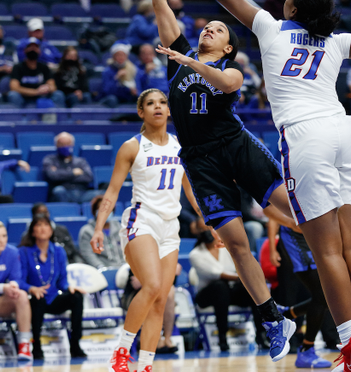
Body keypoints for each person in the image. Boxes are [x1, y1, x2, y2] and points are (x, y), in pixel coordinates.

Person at [164, 0, 351, 372]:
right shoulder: (338, 41)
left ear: (293, 8)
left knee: (326, 251)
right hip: (344, 132)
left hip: (307, 138)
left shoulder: (272, 30)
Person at [137, 0, 303, 365]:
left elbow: (228, 85)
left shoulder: (228, 68)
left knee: (287, 210)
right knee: (235, 241)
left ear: (229, 45)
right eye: (206, 27)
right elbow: (159, 8)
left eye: (218, 29)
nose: (209, 29)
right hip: (199, 159)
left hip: (235, 142)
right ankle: (272, 318)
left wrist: (192, 65)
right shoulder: (180, 58)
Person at [90, 88, 207, 372]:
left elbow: (190, 191)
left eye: (163, 102)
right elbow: (112, 191)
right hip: (141, 220)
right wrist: (98, 228)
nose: (158, 107)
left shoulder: (181, 147)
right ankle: (120, 352)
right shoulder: (132, 147)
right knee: (152, 286)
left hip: (170, 226)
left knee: (160, 299)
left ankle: (145, 365)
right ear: (141, 112)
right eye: (151, 103)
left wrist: (210, 221)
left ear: (169, 110)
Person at [265, 218, 333, 368]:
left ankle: (287, 314)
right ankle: (306, 350)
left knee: (328, 295)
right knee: (322, 293)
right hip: (295, 236)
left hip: (315, 234)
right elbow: (272, 213)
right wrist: (272, 248)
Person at [189, 229, 270, 351]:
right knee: (220, 286)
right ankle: (222, 337)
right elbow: (216, 274)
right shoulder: (195, 254)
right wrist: (243, 277)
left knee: (251, 288)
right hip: (207, 295)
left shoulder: (225, 249)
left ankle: (261, 334)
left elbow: (239, 265)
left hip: (230, 290)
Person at [19, 214, 86, 360]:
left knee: (77, 297)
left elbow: (62, 281)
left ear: (51, 230)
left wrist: (71, 287)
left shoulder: (58, 251)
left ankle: (75, 344)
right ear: (32, 231)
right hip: (34, 298)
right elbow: (20, 280)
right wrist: (32, 288)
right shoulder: (24, 252)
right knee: (38, 299)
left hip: (54, 297)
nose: (42, 228)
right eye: (38, 225)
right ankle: (36, 347)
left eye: (46, 225)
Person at [0, 221, 32, 360]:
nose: (1, 240)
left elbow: (18, 278)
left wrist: (13, 285)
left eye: (4, 236)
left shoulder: (12, 252)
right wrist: (3, 287)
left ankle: (24, 346)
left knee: (22, 295)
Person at [8, 38, 64, 108]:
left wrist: (47, 88)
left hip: (42, 96)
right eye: (30, 47)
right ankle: (16, 118)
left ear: (39, 51)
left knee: (58, 94)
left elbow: (53, 87)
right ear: (25, 50)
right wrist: (36, 92)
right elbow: (14, 87)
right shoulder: (18, 67)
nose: (33, 49)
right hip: (24, 97)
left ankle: (58, 117)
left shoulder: (44, 67)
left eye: (35, 47)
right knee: (13, 95)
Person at [42, 132, 94, 203]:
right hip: (63, 191)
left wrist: (61, 174)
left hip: (82, 193)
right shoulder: (50, 160)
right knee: (59, 190)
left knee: (102, 193)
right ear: (56, 145)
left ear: (72, 145)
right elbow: (53, 176)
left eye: (67, 144)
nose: (65, 146)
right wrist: (73, 173)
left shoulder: (81, 161)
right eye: (62, 144)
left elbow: (88, 177)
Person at [79, 195, 124, 269]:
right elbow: (87, 253)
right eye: (101, 209)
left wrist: (125, 266)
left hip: (122, 269)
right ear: (94, 212)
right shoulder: (87, 231)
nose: (105, 212)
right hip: (99, 270)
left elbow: (126, 250)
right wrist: (101, 267)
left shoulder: (120, 228)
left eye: (108, 209)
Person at [100, 42, 137, 107]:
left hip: (126, 98)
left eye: (123, 55)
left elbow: (138, 87)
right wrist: (116, 77)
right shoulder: (107, 71)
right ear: (113, 57)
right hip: (110, 99)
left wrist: (133, 91)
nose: (121, 57)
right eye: (118, 55)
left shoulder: (132, 70)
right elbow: (107, 91)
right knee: (112, 99)